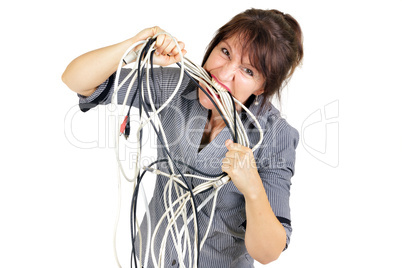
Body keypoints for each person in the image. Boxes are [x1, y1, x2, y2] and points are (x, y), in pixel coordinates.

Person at [62, 8, 303, 268]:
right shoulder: (176, 86)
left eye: (247, 71)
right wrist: (136, 46)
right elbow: (76, 80)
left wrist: (253, 188)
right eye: (225, 52)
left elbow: (268, 252)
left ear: (263, 86)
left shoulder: (275, 134)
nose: (223, 74)